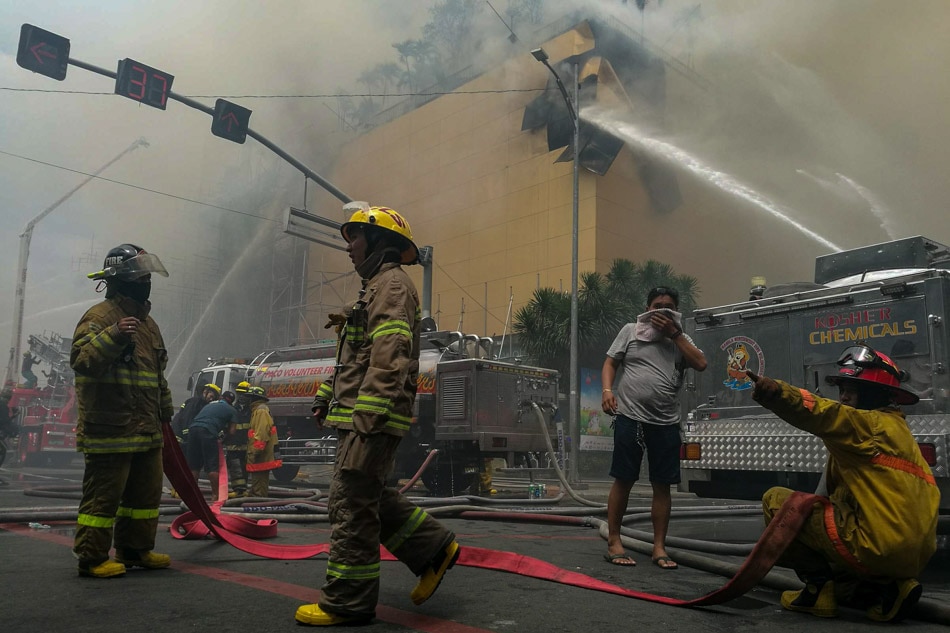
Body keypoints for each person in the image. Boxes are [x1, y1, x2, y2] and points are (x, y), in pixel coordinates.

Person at [297, 205, 460, 627]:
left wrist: (367, 418)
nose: (348, 246)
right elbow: (356, 356)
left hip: (369, 417)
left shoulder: (391, 286)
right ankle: (434, 548)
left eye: (354, 237)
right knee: (367, 493)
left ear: (379, 241)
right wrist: (325, 397)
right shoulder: (374, 288)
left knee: (350, 503)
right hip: (358, 413)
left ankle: (347, 602)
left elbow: (390, 357)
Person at [747, 343, 939, 622]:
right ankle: (886, 591)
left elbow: (821, 412)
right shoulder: (899, 433)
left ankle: (816, 590)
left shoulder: (866, 425)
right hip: (915, 557)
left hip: (877, 546)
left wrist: (777, 392)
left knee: (778, 502)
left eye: (852, 390)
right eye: (842, 390)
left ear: (873, 394)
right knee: (842, 568)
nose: (843, 397)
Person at [70, 243, 174, 578]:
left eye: (148, 275)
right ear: (122, 279)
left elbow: (156, 374)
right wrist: (113, 335)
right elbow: (82, 361)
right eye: (140, 275)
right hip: (110, 430)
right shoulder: (100, 317)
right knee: (103, 499)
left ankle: (135, 549)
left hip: (146, 428)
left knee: (144, 498)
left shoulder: (148, 324)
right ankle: (92, 557)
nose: (146, 281)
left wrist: (165, 409)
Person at [601, 286, 707, 569]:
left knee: (663, 485)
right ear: (647, 309)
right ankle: (614, 540)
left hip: (666, 422)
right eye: (657, 305)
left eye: (668, 306)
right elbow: (611, 362)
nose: (661, 310)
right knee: (624, 478)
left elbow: (701, 363)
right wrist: (607, 390)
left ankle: (659, 547)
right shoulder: (630, 331)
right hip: (630, 417)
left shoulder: (681, 339)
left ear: (676, 312)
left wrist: (675, 333)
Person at [185, 390, 238, 502]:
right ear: (231, 402)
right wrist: (224, 440)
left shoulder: (209, 405)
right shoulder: (232, 410)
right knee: (212, 465)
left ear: (220, 398)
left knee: (194, 465)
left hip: (193, 430)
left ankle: (193, 495)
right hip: (208, 432)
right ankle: (215, 496)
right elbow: (232, 432)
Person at [244, 386, 281, 498]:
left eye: (250, 398)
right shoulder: (258, 410)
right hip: (260, 454)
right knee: (257, 483)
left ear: (254, 398)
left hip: (261, 455)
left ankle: (258, 507)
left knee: (259, 488)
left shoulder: (260, 411)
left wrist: (256, 451)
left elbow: (262, 434)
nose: (247, 400)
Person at [223, 382, 252, 497]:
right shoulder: (232, 409)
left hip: (246, 445)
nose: (241, 397)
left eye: (244, 394)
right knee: (235, 468)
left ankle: (243, 489)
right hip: (233, 445)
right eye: (239, 393)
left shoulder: (251, 411)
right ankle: (237, 490)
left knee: (245, 468)